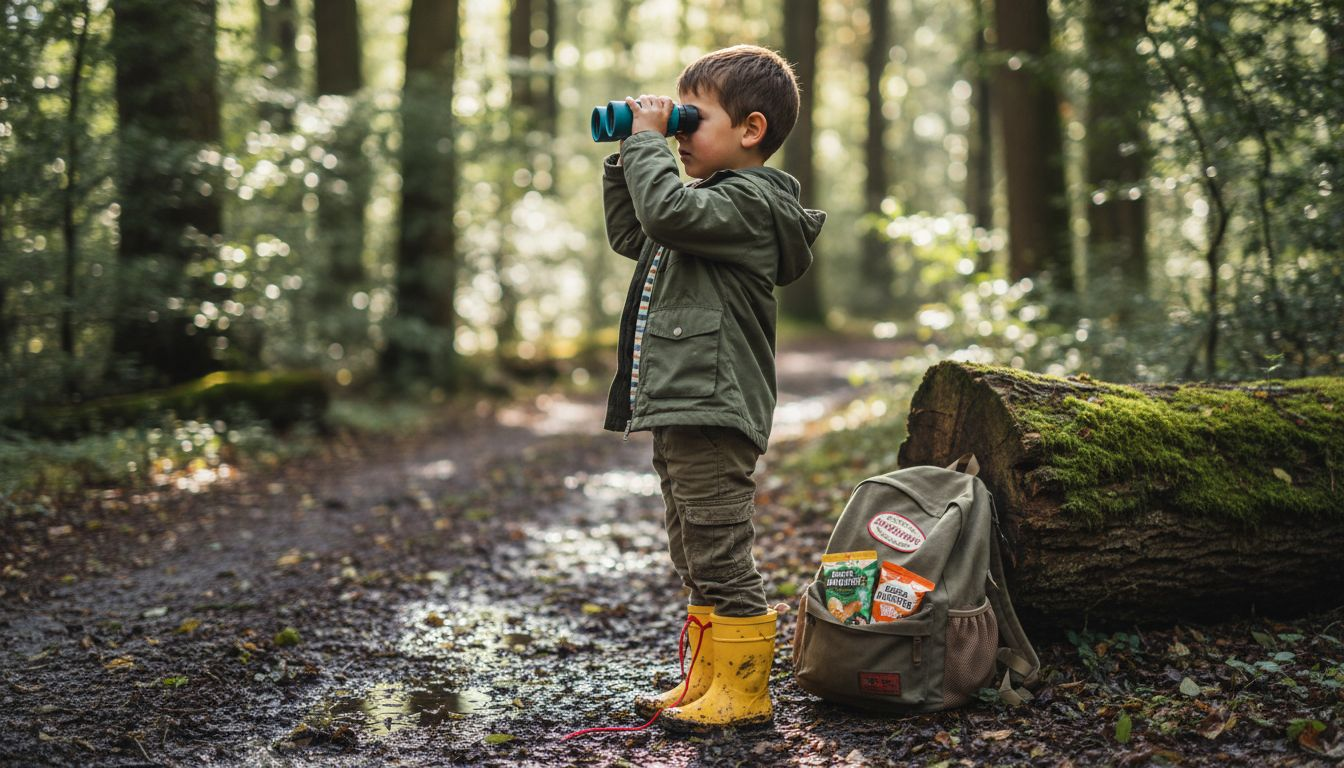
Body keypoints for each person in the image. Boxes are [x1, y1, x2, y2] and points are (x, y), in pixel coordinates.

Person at [599, 44, 825, 730]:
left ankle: (747, 694)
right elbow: (634, 232)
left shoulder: (751, 205)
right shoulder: (704, 209)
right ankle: (708, 683)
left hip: (715, 404)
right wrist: (625, 157)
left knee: (720, 550)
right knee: (693, 548)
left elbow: (665, 214)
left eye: (690, 118)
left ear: (750, 130)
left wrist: (646, 140)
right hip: (684, 401)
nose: (677, 131)